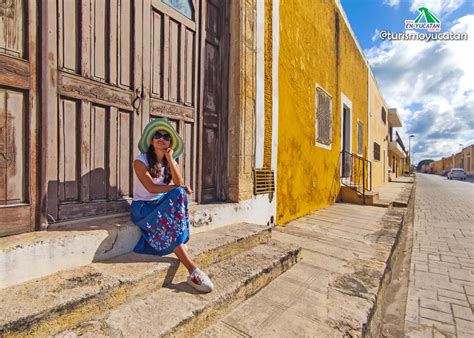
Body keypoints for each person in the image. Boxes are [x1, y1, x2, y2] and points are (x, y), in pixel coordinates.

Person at [131, 118, 214, 293]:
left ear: (170, 142)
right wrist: (177, 187)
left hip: (160, 207)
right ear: (151, 140)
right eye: (157, 135)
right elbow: (151, 187)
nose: (161, 138)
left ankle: (189, 264)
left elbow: (180, 182)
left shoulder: (171, 161)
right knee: (177, 192)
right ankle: (192, 269)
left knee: (180, 193)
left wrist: (170, 158)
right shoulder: (141, 160)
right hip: (144, 208)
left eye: (166, 136)